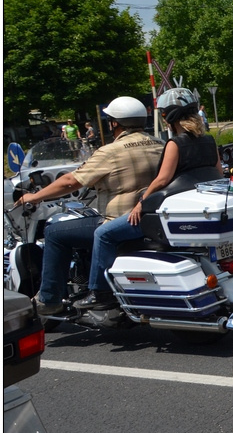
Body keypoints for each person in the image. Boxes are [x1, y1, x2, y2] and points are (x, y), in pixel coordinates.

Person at [12, 97, 163, 315]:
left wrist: (35, 197)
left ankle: (50, 299)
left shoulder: (110, 151)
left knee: (55, 232)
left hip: (119, 219)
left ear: (114, 123)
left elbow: (70, 182)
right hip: (149, 219)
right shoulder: (158, 143)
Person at [77, 88, 220, 309]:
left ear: (170, 116)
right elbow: (218, 174)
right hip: (189, 208)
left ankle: (100, 293)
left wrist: (141, 203)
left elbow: (162, 180)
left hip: (166, 211)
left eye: (163, 114)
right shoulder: (209, 141)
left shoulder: (175, 143)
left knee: (103, 233)